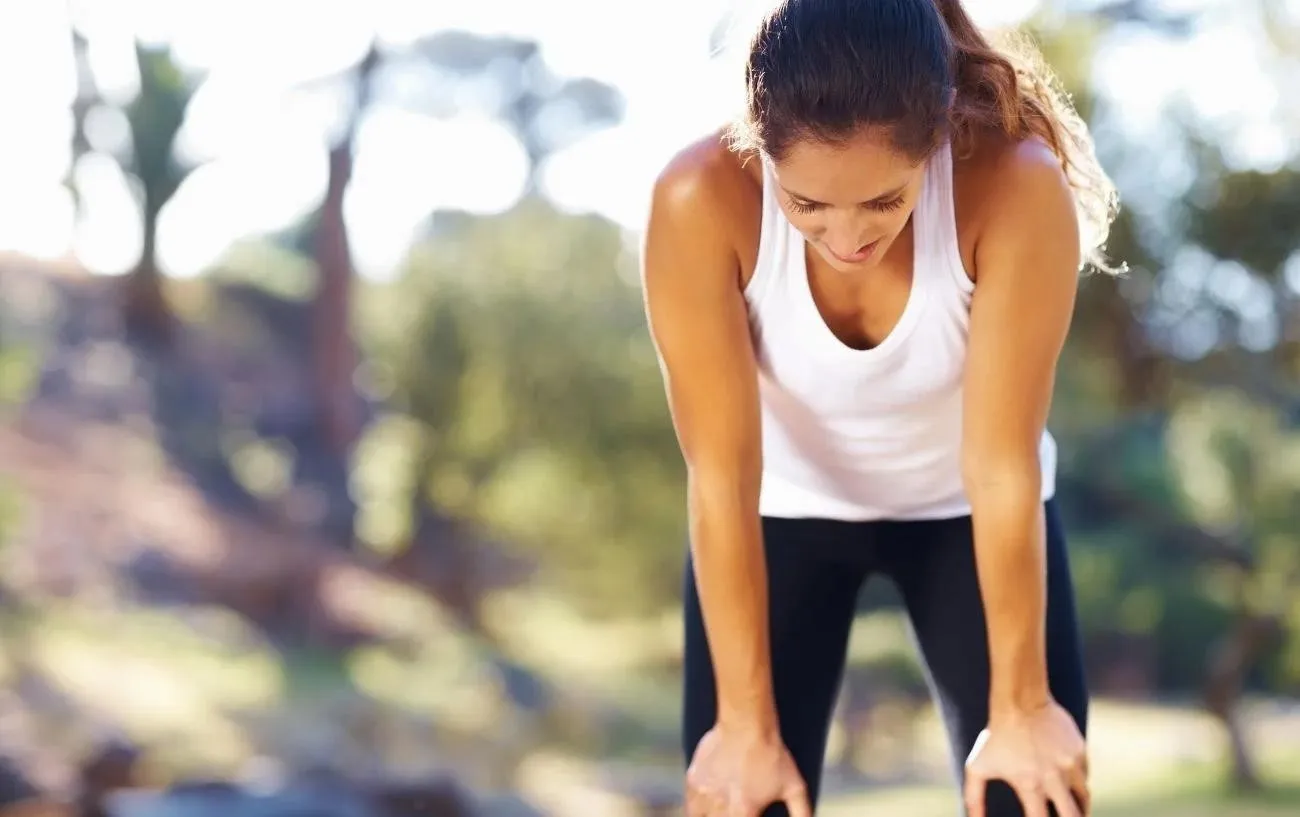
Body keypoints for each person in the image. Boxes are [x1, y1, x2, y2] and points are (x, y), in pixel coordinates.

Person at [639, 0, 1121, 815]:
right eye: (807, 205)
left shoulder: (1013, 184)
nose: (847, 238)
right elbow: (721, 475)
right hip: (777, 515)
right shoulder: (698, 197)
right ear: (760, 144)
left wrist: (1025, 707)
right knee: (744, 789)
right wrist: (745, 726)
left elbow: (1001, 464)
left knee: (1030, 789)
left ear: (938, 136)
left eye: (884, 201)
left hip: (970, 514)